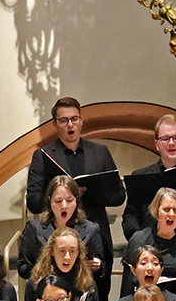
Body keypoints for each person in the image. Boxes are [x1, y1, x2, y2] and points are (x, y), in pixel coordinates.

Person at [27, 95, 121, 255]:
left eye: (74, 119)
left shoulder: (100, 152)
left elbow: (119, 196)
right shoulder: (43, 155)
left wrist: (92, 191)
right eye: (63, 120)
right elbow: (33, 202)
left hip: (95, 232)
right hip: (58, 237)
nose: (70, 125)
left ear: (81, 121)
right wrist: (59, 196)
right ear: (55, 124)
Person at [20, 175, 109, 301]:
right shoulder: (34, 228)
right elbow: (23, 268)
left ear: (77, 200)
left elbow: (102, 271)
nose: (64, 206)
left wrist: (97, 265)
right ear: (49, 201)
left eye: (69, 200)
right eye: (58, 201)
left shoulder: (91, 229)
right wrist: (43, 269)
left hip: (78, 297)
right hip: (46, 298)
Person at [120, 189, 176, 301]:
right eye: (166, 209)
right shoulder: (139, 240)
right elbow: (127, 285)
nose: (171, 214)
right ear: (157, 211)